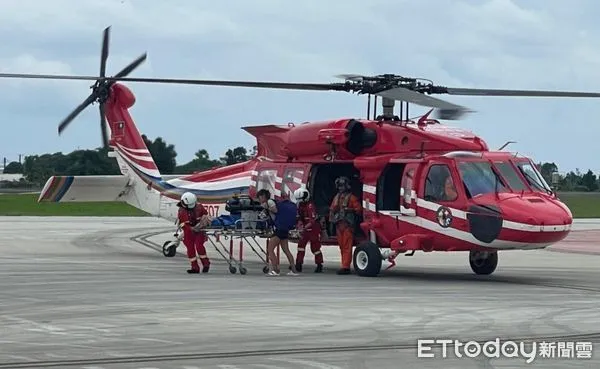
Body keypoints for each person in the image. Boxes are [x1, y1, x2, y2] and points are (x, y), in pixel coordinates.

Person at [256, 189, 299, 276]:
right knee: (286, 250)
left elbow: (275, 211)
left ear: (263, 196)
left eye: (259, 197)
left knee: (270, 249)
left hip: (279, 229)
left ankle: (276, 270)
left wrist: (266, 207)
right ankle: (293, 270)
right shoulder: (270, 202)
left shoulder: (270, 202)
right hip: (283, 228)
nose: (259, 199)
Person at [329, 176, 362, 275]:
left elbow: (359, 210)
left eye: (342, 186)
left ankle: (345, 267)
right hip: (339, 225)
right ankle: (344, 265)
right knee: (342, 246)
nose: (340, 188)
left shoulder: (352, 198)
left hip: (347, 225)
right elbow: (332, 209)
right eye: (339, 186)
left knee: (347, 246)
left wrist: (349, 210)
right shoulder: (337, 197)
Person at [176, 192, 211, 274]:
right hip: (188, 231)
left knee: (199, 246)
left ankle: (206, 263)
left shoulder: (199, 207)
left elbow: (205, 215)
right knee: (190, 248)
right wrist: (191, 229)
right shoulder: (181, 211)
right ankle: (195, 267)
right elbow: (183, 224)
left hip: (200, 230)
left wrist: (203, 222)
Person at [293, 187, 323, 273]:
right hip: (305, 229)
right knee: (300, 247)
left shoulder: (310, 206)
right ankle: (298, 264)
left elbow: (312, 220)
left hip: (313, 229)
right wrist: (299, 224)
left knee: (315, 248)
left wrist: (304, 228)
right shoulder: (300, 204)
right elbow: (299, 216)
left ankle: (319, 265)